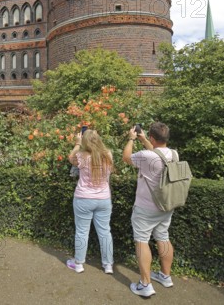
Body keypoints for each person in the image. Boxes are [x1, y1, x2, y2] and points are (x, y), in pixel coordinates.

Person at [122, 121, 176, 298]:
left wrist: (131, 139)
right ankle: (165, 276)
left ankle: (145, 284)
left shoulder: (146, 156)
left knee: (141, 241)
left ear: (153, 137)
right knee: (163, 237)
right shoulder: (174, 154)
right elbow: (157, 154)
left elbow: (126, 157)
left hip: (146, 208)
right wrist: (145, 139)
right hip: (166, 205)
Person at [66, 129, 114, 274]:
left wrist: (77, 143)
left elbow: (70, 157)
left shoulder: (80, 156)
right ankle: (108, 265)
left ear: (85, 141)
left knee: (81, 232)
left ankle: (79, 264)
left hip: (83, 198)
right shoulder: (108, 155)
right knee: (105, 232)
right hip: (104, 199)